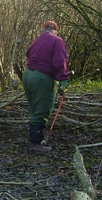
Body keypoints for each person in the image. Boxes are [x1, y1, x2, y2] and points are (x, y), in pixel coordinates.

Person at [23, 21, 68, 152]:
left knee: (34, 108)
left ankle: (36, 137)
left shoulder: (38, 39)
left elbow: (28, 53)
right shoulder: (57, 41)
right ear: (55, 30)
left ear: (43, 29)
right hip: (42, 78)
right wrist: (63, 79)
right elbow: (60, 61)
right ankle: (35, 143)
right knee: (42, 110)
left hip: (28, 75)